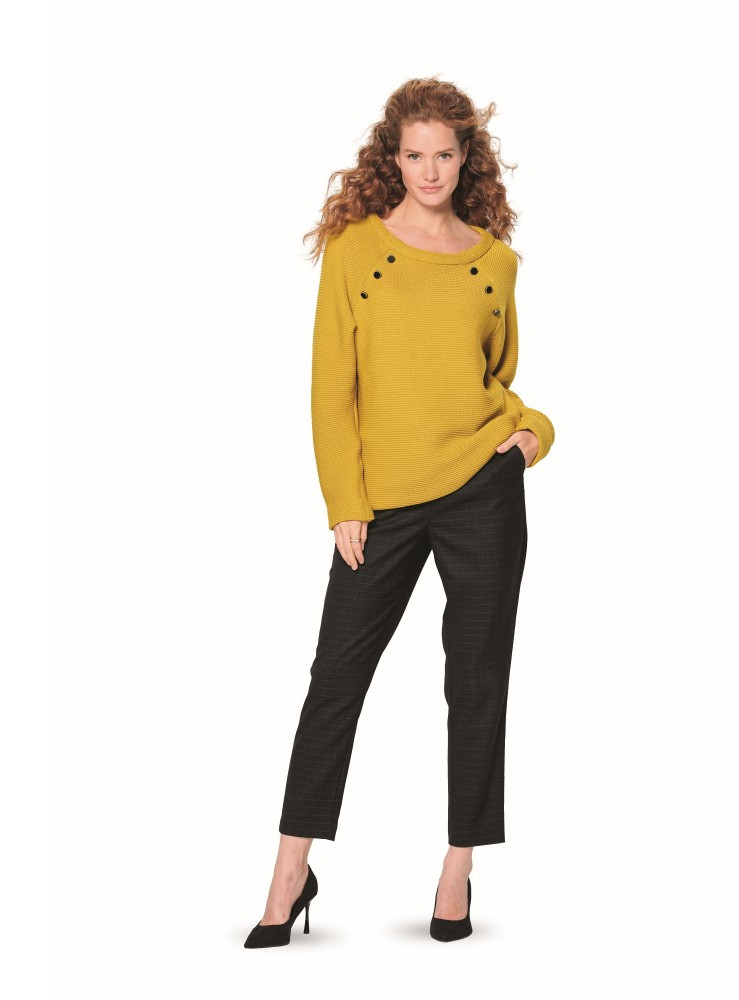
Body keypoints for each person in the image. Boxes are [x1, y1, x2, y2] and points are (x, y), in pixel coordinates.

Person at [244, 77, 555, 948]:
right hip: (382, 501)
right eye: (415, 154)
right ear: (393, 158)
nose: (430, 170)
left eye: (444, 154)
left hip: (483, 490)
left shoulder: (494, 262)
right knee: (336, 679)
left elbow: (495, 380)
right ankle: (289, 871)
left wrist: (532, 433)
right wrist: (345, 501)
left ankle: (457, 869)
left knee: (478, 679)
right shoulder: (356, 251)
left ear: (466, 158)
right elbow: (330, 387)